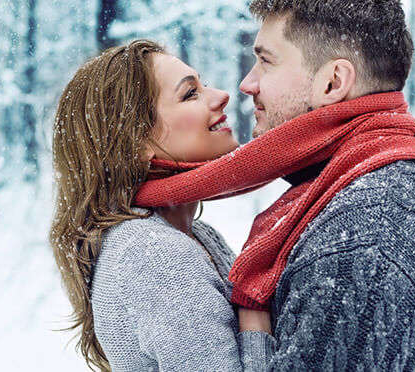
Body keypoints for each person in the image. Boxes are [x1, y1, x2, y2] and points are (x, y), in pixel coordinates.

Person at [134, 0, 415, 370]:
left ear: (333, 82)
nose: (247, 84)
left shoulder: (361, 240)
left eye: (266, 62)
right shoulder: (377, 185)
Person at [49, 40, 275, 372]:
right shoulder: (152, 252)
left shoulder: (190, 233)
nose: (222, 95)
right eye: (190, 94)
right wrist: (255, 311)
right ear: (136, 142)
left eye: (204, 84)